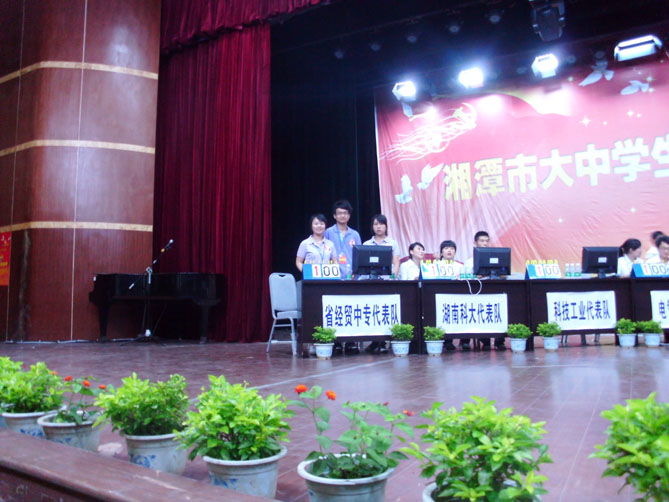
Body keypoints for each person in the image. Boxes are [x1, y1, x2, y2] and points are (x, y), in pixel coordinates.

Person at [462, 231, 505, 351]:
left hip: (494, 291)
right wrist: (476, 276)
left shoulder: (497, 259)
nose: (485, 243)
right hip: (477, 294)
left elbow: (504, 274)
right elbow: (465, 278)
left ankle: (499, 340)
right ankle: (483, 341)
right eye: (482, 241)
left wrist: (501, 274)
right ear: (475, 243)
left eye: (487, 241)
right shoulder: (469, 262)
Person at [323, 200, 362, 278]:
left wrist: (356, 272)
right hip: (332, 275)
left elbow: (359, 256)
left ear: (349, 215)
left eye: (345, 213)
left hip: (351, 275)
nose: (343, 216)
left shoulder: (355, 234)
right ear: (334, 216)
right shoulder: (328, 232)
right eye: (340, 213)